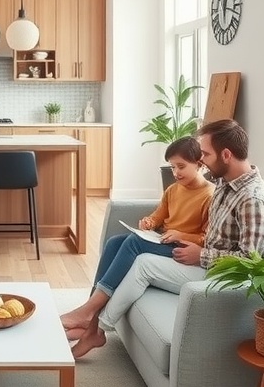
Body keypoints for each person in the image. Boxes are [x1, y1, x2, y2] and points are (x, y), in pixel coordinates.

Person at [66, 119, 264, 360]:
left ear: (227, 155)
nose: (201, 161)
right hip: (202, 258)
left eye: (206, 155)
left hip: (218, 275)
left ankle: (95, 324)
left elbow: (251, 263)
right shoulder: (225, 183)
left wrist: (200, 254)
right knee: (118, 243)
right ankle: (91, 317)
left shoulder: (253, 200)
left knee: (143, 263)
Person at [61, 136, 215, 339]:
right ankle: (91, 309)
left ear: (200, 164)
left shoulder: (209, 195)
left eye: (181, 166)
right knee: (114, 242)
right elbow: (158, 216)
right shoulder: (173, 190)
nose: (176, 173)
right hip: (163, 241)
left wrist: (181, 234)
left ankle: (89, 310)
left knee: (133, 243)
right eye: (172, 167)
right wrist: (149, 222)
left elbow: (207, 239)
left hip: (182, 248)